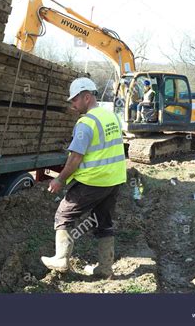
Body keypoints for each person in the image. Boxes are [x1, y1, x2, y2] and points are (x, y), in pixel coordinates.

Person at [42, 77, 127, 278]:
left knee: (63, 216)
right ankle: (105, 268)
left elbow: (75, 158)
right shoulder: (112, 117)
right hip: (114, 180)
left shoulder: (86, 123)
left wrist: (59, 179)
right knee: (103, 221)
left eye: (74, 100)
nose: (72, 105)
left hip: (92, 181)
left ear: (86, 97)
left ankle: (61, 259)